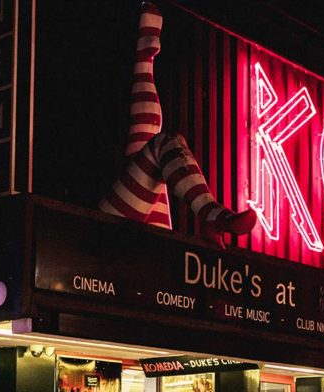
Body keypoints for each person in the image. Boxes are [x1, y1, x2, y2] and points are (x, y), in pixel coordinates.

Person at [98, 1, 256, 249]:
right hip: (115, 240)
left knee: (157, 146)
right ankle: (211, 214)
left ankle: (144, 58)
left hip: (113, 237)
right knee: (160, 145)